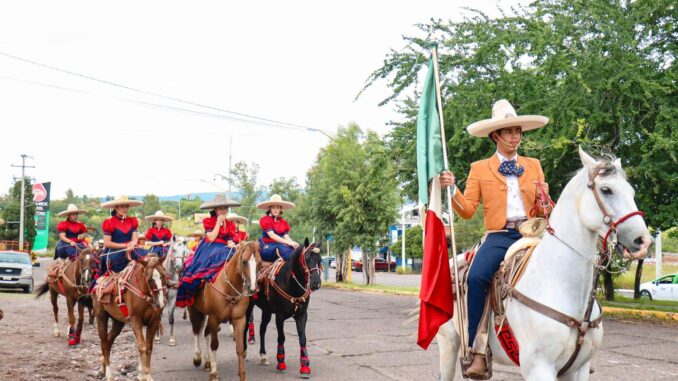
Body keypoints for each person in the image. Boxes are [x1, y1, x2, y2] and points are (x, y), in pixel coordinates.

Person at [439, 99, 550, 377]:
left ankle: (572, 343)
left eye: (518, 131)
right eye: (509, 131)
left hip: (532, 232)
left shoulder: (533, 165)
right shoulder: (479, 169)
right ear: (495, 136)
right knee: (476, 277)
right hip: (500, 236)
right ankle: (477, 351)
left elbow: (542, 209)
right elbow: (466, 211)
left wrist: (545, 200)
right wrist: (452, 190)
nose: (515, 136)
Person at [176, 194, 240, 308]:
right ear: (215, 210)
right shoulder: (209, 221)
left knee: (237, 256)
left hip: (224, 247)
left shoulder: (230, 224)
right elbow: (211, 237)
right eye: (220, 208)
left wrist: (233, 245)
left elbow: (230, 240)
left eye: (224, 208)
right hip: (210, 246)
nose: (222, 211)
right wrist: (218, 222)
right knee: (220, 254)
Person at [98, 196, 149, 275]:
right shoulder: (109, 222)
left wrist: (132, 245)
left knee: (150, 258)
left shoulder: (132, 221)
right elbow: (107, 243)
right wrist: (125, 245)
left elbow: (135, 239)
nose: (125, 209)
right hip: (115, 252)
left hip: (132, 249)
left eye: (126, 206)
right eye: (122, 206)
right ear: (116, 208)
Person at [257, 194, 297, 262]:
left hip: (280, 245)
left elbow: (286, 236)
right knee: (281, 249)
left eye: (278, 207)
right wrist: (287, 242)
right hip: (267, 247)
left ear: (280, 209)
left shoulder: (283, 223)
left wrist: (292, 242)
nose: (275, 210)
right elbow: (272, 236)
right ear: (270, 209)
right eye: (273, 207)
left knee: (296, 249)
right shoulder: (265, 220)